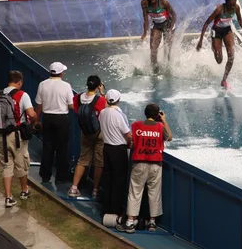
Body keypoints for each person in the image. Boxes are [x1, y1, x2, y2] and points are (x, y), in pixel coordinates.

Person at [118, 103, 172, 234]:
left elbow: (131, 142)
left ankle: (130, 222)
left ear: (145, 113)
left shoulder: (136, 125)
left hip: (139, 163)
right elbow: (169, 137)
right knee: (154, 193)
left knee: (135, 192)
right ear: (157, 114)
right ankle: (152, 222)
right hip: (155, 164)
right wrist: (164, 121)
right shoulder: (160, 127)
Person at [0, 71, 38, 208]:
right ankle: (24, 191)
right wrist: (34, 119)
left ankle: (8, 197)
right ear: (19, 82)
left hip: (1, 135)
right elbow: (31, 113)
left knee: (6, 165)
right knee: (21, 163)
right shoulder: (23, 95)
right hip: (17, 136)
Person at [196, 0, 242, 89]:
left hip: (227, 30)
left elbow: (240, 20)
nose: (232, 7)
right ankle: (214, 48)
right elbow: (206, 23)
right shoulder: (219, 9)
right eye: (230, 5)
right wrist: (200, 40)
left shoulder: (236, 7)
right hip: (216, 32)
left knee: (231, 56)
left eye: (233, 4)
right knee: (219, 60)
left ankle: (224, 80)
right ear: (226, 3)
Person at [68, 75, 107, 199]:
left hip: (85, 133)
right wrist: (102, 93)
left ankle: (74, 188)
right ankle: (95, 190)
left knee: (83, 160)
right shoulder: (99, 100)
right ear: (97, 86)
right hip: (99, 133)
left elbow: (74, 109)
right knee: (99, 162)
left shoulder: (78, 98)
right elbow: (107, 110)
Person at [35, 61, 74, 184]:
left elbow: (39, 105)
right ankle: (61, 177)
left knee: (47, 147)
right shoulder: (66, 86)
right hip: (62, 119)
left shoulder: (42, 84)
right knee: (62, 149)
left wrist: (36, 120)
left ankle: (45, 175)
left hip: (47, 118)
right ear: (61, 73)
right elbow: (71, 105)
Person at [99, 89, 131, 220]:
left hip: (106, 148)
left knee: (108, 179)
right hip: (119, 150)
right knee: (118, 180)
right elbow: (128, 134)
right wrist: (130, 143)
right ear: (119, 100)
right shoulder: (119, 115)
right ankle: (115, 210)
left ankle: (105, 207)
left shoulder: (102, 112)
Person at [140, 0, 176, 72]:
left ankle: (168, 67)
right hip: (157, 26)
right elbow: (145, 19)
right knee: (153, 49)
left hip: (168, 25)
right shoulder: (144, 3)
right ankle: (154, 69)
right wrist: (145, 32)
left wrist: (170, 29)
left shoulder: (164, 3)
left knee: (167, 50)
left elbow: (174, 15)